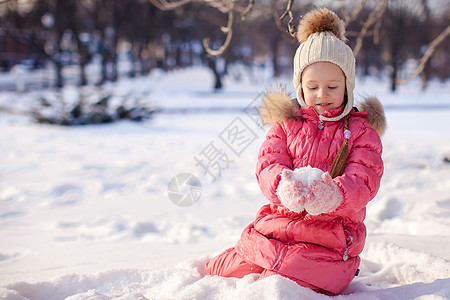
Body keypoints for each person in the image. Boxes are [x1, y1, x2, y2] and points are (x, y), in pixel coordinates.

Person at [205, 7, 386, 295]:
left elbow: (365, 178)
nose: (322, 95)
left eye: (332, 86)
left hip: (330, 236)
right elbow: (267, 164)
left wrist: (335, 194)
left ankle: (274, 278)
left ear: (347, 86)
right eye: (313, 86)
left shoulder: (362, 133)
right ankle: (262, 269)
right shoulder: (286, 125)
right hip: (279, 225)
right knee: (223, 268)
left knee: (301, 273)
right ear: (300, 85)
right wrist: (282, 185)